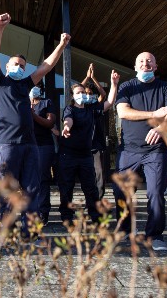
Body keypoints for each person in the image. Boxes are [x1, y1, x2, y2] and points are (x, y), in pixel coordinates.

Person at [0, 12, 70, 239]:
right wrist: (0, 28)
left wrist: (61, 46)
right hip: (7, 144)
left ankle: (29, 230)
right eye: (15, 64)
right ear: (7, 66)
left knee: (33, 188)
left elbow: (46, 66)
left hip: (30, 145)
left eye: (22, 65)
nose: (19, 68)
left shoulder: (25, 84)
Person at [113, 52, 167, 251]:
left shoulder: (166, 87)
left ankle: (155, 235)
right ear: (135, 66)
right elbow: (123, 112)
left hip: (156, 151)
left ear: (156, 66)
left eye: (149, 61)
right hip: (129, 150)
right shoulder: (127, 87)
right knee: (122, 192)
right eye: (141, 61)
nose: (145, 64)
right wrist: (154, 114)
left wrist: (161, 128)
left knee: (156, 193)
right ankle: (124, 230)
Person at [58, 70, 119, 224]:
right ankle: (66, 215)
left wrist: (114, 84)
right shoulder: (69, 109)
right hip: (68, 155)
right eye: (78, 92)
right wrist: (66, 128)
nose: (82, 94)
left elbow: (109, 102)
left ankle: (95, 215)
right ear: (73, 96)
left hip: (85, 155)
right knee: (67, 187)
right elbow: (68, 120)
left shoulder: (92, 110)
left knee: (90, 187)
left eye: (83, 92)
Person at [81, 63, 108, 199]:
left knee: (99, 174)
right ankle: (89, 200)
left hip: (97, 146)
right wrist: (86, 78)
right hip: (83, 147)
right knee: (86, 175)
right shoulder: (79, 107)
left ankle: (98, 200)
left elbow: (103, 94)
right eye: (85, 94)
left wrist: (93, 78)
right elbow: (73, 90)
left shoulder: (96, 107)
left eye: (90, 94)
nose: (87, 96)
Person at [29, 84, 56, 226]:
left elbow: (50, 123)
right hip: (28, 145)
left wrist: (33, 114)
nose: (34, 88)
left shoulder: (47, 103)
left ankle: (43, 213)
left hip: (44, 145)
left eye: (37, 86)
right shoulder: (24, 103)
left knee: (43, 179)